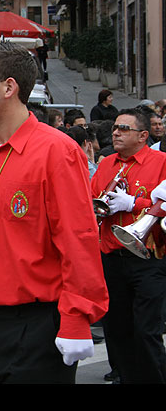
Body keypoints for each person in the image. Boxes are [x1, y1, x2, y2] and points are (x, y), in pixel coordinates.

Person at [0, 41, 109, 384]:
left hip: (42, 321)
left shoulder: (56, 151)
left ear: (9, 87)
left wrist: (76, 318)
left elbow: (78, 240)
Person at [92, 108, 166, 383]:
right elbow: (92, 198)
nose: (116, 132)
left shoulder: (161, 162)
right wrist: (99, 208)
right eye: (115, 128)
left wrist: (133, 203)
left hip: (149, 257)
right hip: (112, 255)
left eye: (124, 128)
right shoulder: (107, 163)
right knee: (117, 329)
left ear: (143, 135)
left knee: (147, 331)